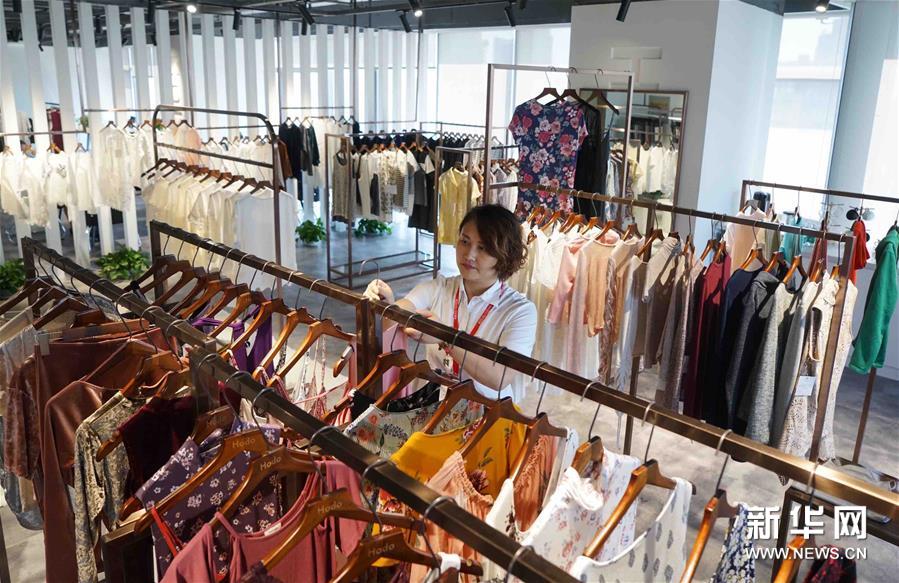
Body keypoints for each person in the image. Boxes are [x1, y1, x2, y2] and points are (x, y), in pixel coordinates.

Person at [364, 204, 537, 403]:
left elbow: (499, 377)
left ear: (504, 254)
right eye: (465, 241)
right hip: (433, 402)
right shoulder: (440, 287)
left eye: (483, 248)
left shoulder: (520, 311)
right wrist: (388, 306)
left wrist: (443, 336)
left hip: (487, 411)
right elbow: (400, 313)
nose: (469, 255)